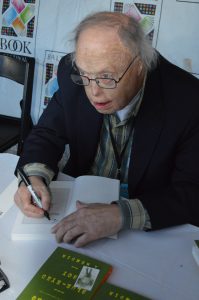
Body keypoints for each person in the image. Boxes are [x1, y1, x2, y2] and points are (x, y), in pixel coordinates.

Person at [14, 11, 199, 247]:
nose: (94, 92)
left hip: (148, 225)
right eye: (85, 75)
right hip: (79, 204)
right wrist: (33, 177)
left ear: (140, 65)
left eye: (106, 77)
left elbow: (192, 192)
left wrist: (121, 214)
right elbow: (47, 134)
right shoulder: (71, 74)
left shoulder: (189, 101)